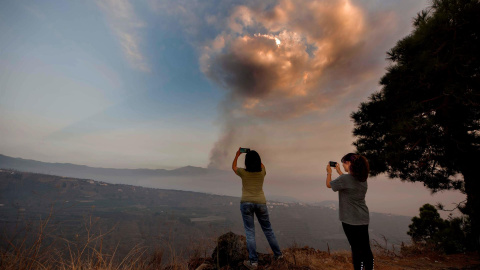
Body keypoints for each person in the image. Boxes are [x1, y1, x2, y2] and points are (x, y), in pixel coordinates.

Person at [232, 148, 283, 270]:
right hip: (261, 203)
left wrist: (237, 154)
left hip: (246, 203)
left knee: (250, 233)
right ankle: (279, 255)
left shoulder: (243, 172)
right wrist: (255, 156)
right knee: (268, 230)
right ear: (259, 161)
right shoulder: (262, 172)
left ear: (247, 162)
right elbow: (261, 165)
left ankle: (253, 262)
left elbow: (233, 167)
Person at [326, 153, 374, 270]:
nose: (342, 166)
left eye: (344, 163)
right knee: (365, 248)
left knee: (355, 248)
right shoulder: (362, 178)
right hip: (363, 218)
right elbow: (348, 182)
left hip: (350, 219)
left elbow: (329, 185)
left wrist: (329, 172)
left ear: (350, 163)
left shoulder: (345, 179)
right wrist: (339, 172)